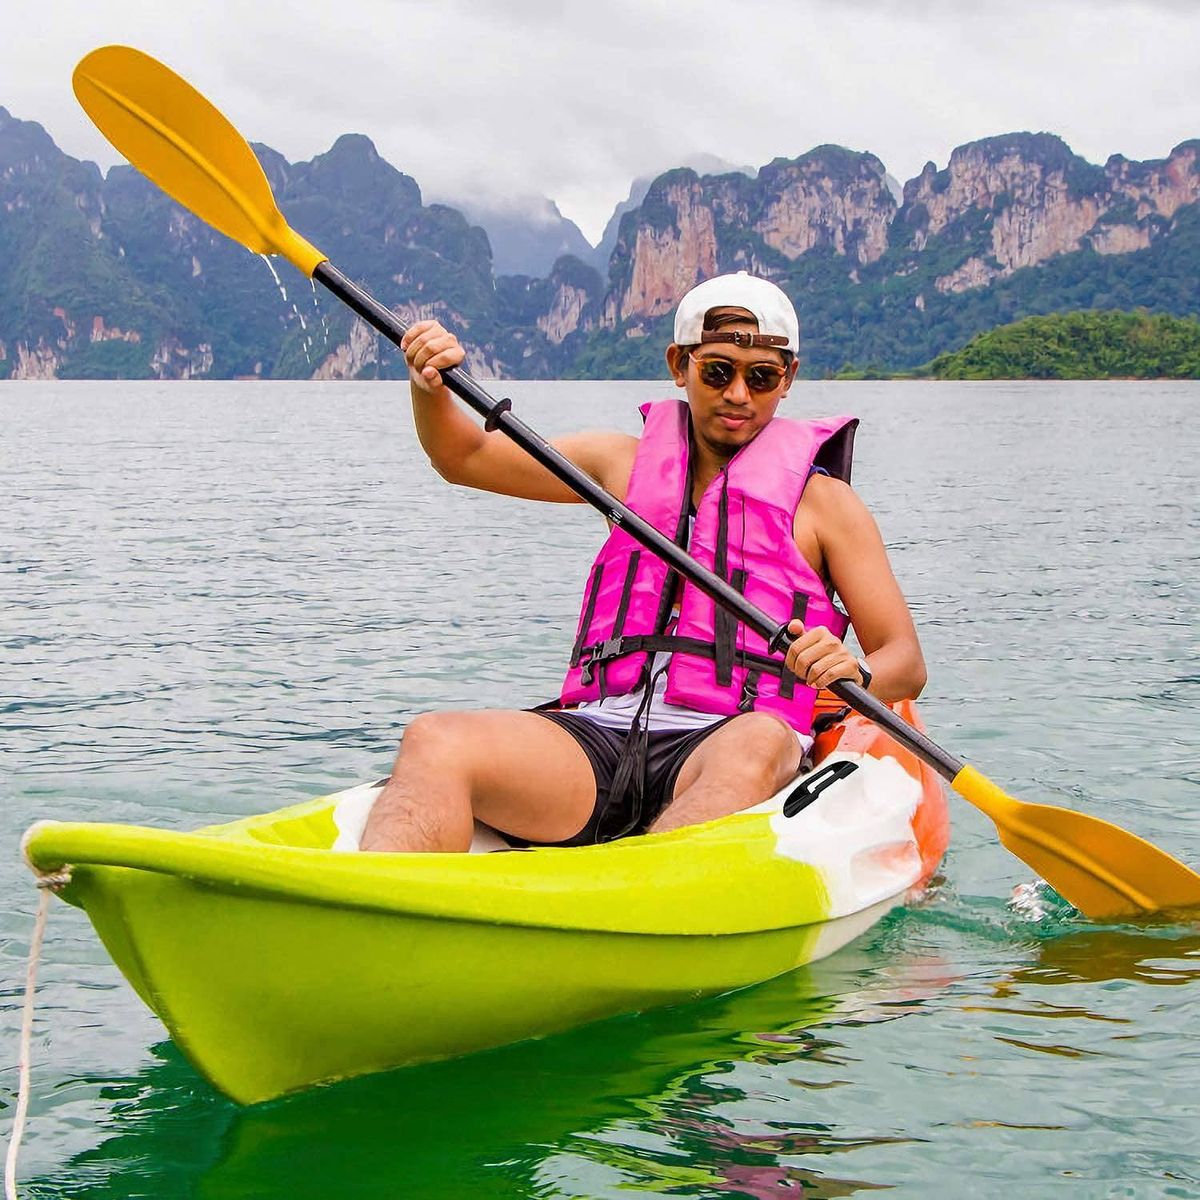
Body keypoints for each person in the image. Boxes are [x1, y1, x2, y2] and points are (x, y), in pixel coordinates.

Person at [361, 272, 925, 853]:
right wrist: (430, 387)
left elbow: (905, 660)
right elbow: (467, 456)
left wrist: (853, 673)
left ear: (788, 379)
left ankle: (638, 889)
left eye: (761, 377)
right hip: (600, 734)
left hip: (734, 740)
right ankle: (379, 896)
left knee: (757, 742)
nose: (739, 394)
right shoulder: (618, 464)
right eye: (717, 372)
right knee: (433, 738)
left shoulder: (827, 506)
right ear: (679, 365)